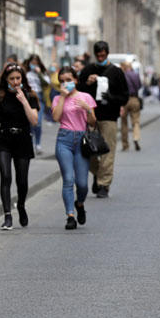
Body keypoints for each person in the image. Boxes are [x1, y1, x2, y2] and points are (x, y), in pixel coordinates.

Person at [0, 64, 40, 230]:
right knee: (6, 176)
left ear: (22, 78)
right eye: (12, 79)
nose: (15, 82)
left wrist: (23, 101)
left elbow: (34, 120)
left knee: (22, 181)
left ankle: (21, 206)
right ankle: (7, 215)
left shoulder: (30, 96)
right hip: (4, 139)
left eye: (18, 78)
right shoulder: (0, 97)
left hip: (23, 139)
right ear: (6, 80)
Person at [77, 41, 129, 198]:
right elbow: (78, 92)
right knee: (87, 150)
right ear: (95, 54)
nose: (101, 57)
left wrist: (111, 98)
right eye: (98, 55)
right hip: (90, 116)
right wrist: (87, 83)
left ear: (107, 53)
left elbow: (124, 96)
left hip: (109, 117)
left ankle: (103, 184)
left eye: (103, 54)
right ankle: (98, 174)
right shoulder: (88, 70)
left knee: (108, 150)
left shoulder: (116, 72)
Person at [52, 66, 97, 230]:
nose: (66, 84)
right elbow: (56, 117)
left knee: (83, 184)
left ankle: (80, 204)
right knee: (68, 179)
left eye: (69, 80)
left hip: (81, 141)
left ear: (76, 80)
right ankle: (70, 215)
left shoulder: (85, 97)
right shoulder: (58, 99)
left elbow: (93, 122)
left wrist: (88, 109)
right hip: (64, 139)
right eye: (62, 81)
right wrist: (63, 97)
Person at [24, 54, 50, 154]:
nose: (34, 65)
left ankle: (38, 144)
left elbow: (46, 84)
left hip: (39, 98)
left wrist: (39, 73)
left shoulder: (43, 73)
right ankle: (30, 144)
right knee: (29, 122)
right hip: (28, 97)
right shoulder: (26, 73)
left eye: (36, 63)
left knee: (37, 122)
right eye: (32, 63)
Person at [120, 61, 143, 151]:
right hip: (134, 99)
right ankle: (136, 137)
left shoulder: (121, 75)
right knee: (136, 121)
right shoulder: (135, 75)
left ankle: (125, 145)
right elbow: (139, 86)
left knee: (124, 123)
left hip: (123, 100)